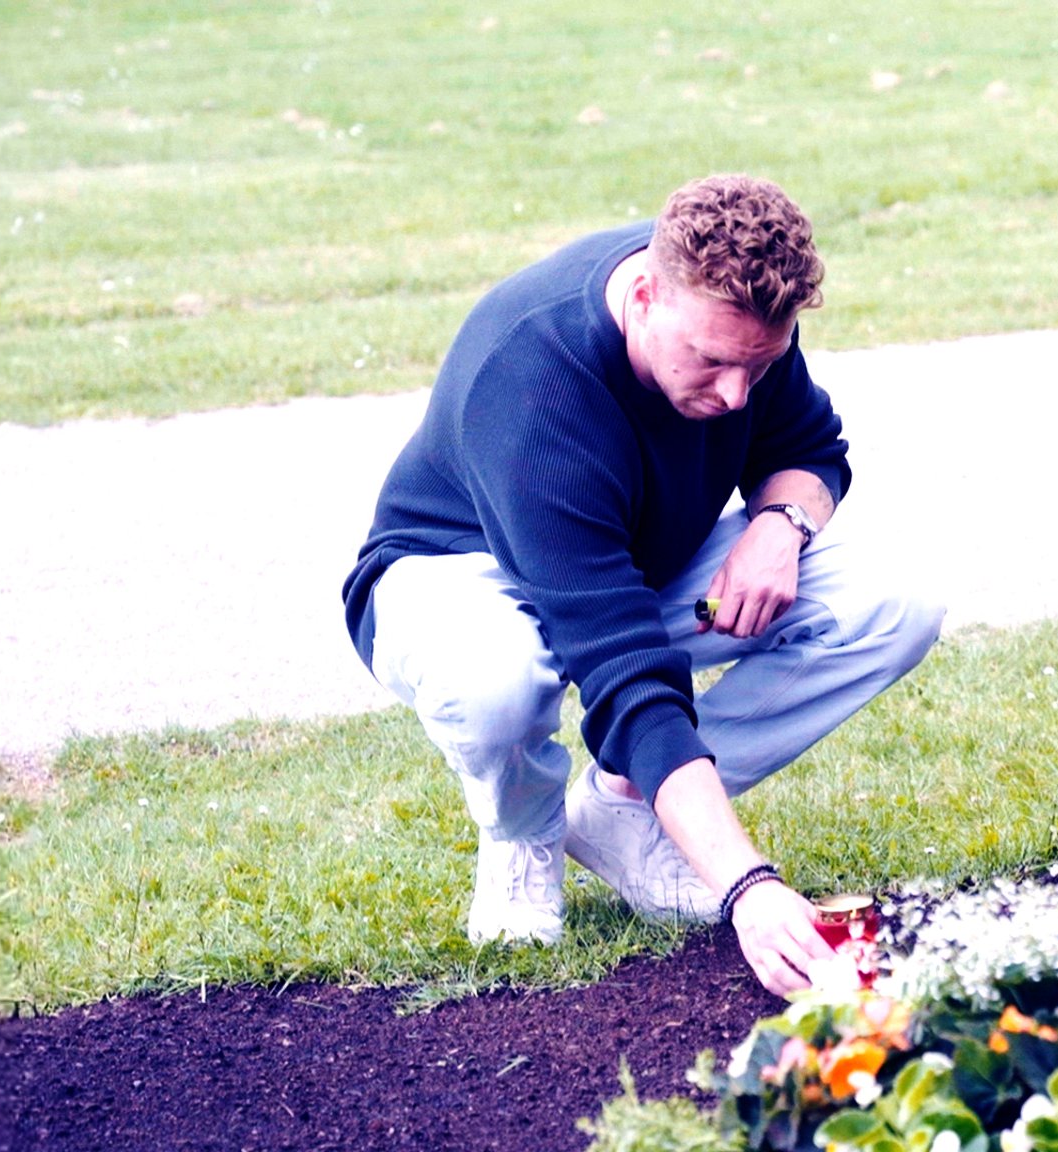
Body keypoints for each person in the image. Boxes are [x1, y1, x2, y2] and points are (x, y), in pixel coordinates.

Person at [339, 174, 943, 997]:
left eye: (758, 367)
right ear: (646, 295)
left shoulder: (737, 315)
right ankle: (524, 832)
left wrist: (780, 527)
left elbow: (811, 449)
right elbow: (626, 675)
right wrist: (747, 886)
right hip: (454, 571)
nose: (736, 394)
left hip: (636, 559)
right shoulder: (534, 387)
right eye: (714, 362)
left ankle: (623, 813)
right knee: (498, 686)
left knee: (891, 599)